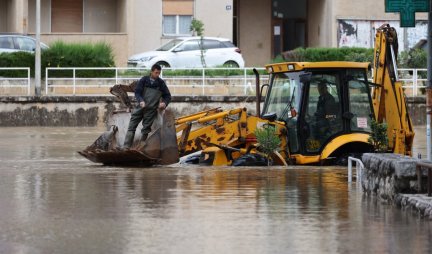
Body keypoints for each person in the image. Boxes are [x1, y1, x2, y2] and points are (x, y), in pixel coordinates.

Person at [123, 64, 171, 149]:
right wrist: (141, 100)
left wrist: (164, 103)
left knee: (146, 129)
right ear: (151, 72)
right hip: (140, 107)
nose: (157, 75)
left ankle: (140, 148)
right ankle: (126, 147)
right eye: (156, 73)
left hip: (151, 110)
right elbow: (137, 92)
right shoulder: (144, 80)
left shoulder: (161, 83)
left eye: (159, 73)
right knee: (132, 126)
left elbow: (167, 96)